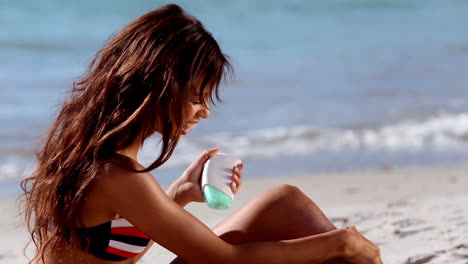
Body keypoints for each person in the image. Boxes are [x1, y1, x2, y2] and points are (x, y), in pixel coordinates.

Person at [20, 4, 383, 264]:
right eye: (196, 97)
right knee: (319, 232)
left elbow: (112, 251)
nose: (204, 111)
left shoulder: (91, 154)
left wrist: (180, 192)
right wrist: (340, 244)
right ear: (158, 87)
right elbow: (223, 258)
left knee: (285, 202)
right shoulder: (115, 174)